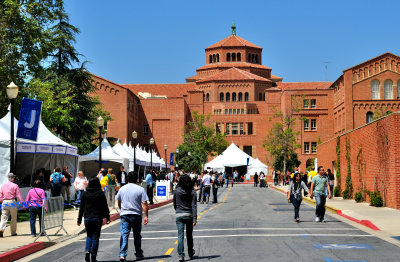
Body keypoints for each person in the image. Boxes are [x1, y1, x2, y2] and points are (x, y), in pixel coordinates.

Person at [117, 172, 149, 262]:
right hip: (136, 215)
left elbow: (119, 202)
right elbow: (144, 203)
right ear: (137, 179)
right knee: (137, 235)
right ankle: (138, 254)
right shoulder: (140, 189)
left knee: (124, 234)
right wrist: (146, 215)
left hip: (125, 214)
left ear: (127, 179)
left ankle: (122, 254)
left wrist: (122, 210)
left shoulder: (122, 189)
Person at [77, 177, 110, 262]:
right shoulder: (100, 193)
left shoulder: (85, 194)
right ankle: (93, 257)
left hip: (87, 217)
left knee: (89, 236)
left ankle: (87, 251)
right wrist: (107, 217)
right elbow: (104, 206)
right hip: (97, 217)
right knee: (95, 237)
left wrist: (79, 219)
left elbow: (81, 207)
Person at [173, 174, 197, 261]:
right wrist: (195, 218)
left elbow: (174, 203)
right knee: (189, 235)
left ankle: (181, 255)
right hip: (189, 215)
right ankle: (190, 252)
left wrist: (178, 211)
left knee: (180, 235)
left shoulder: (177, 191)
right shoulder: (192, 192)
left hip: (179, 215)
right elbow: (194, 206)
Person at [0, 173, 24, 237]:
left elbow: (1, 195)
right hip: (12, 201)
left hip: (4, 202)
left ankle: (1, 229)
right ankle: (13, 232)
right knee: (13, 218)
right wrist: (23, 204)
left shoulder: (3, 185)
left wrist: (1, 201)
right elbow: (19, 195)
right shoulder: (15, 185)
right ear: (13, 178)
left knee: (4, 217)